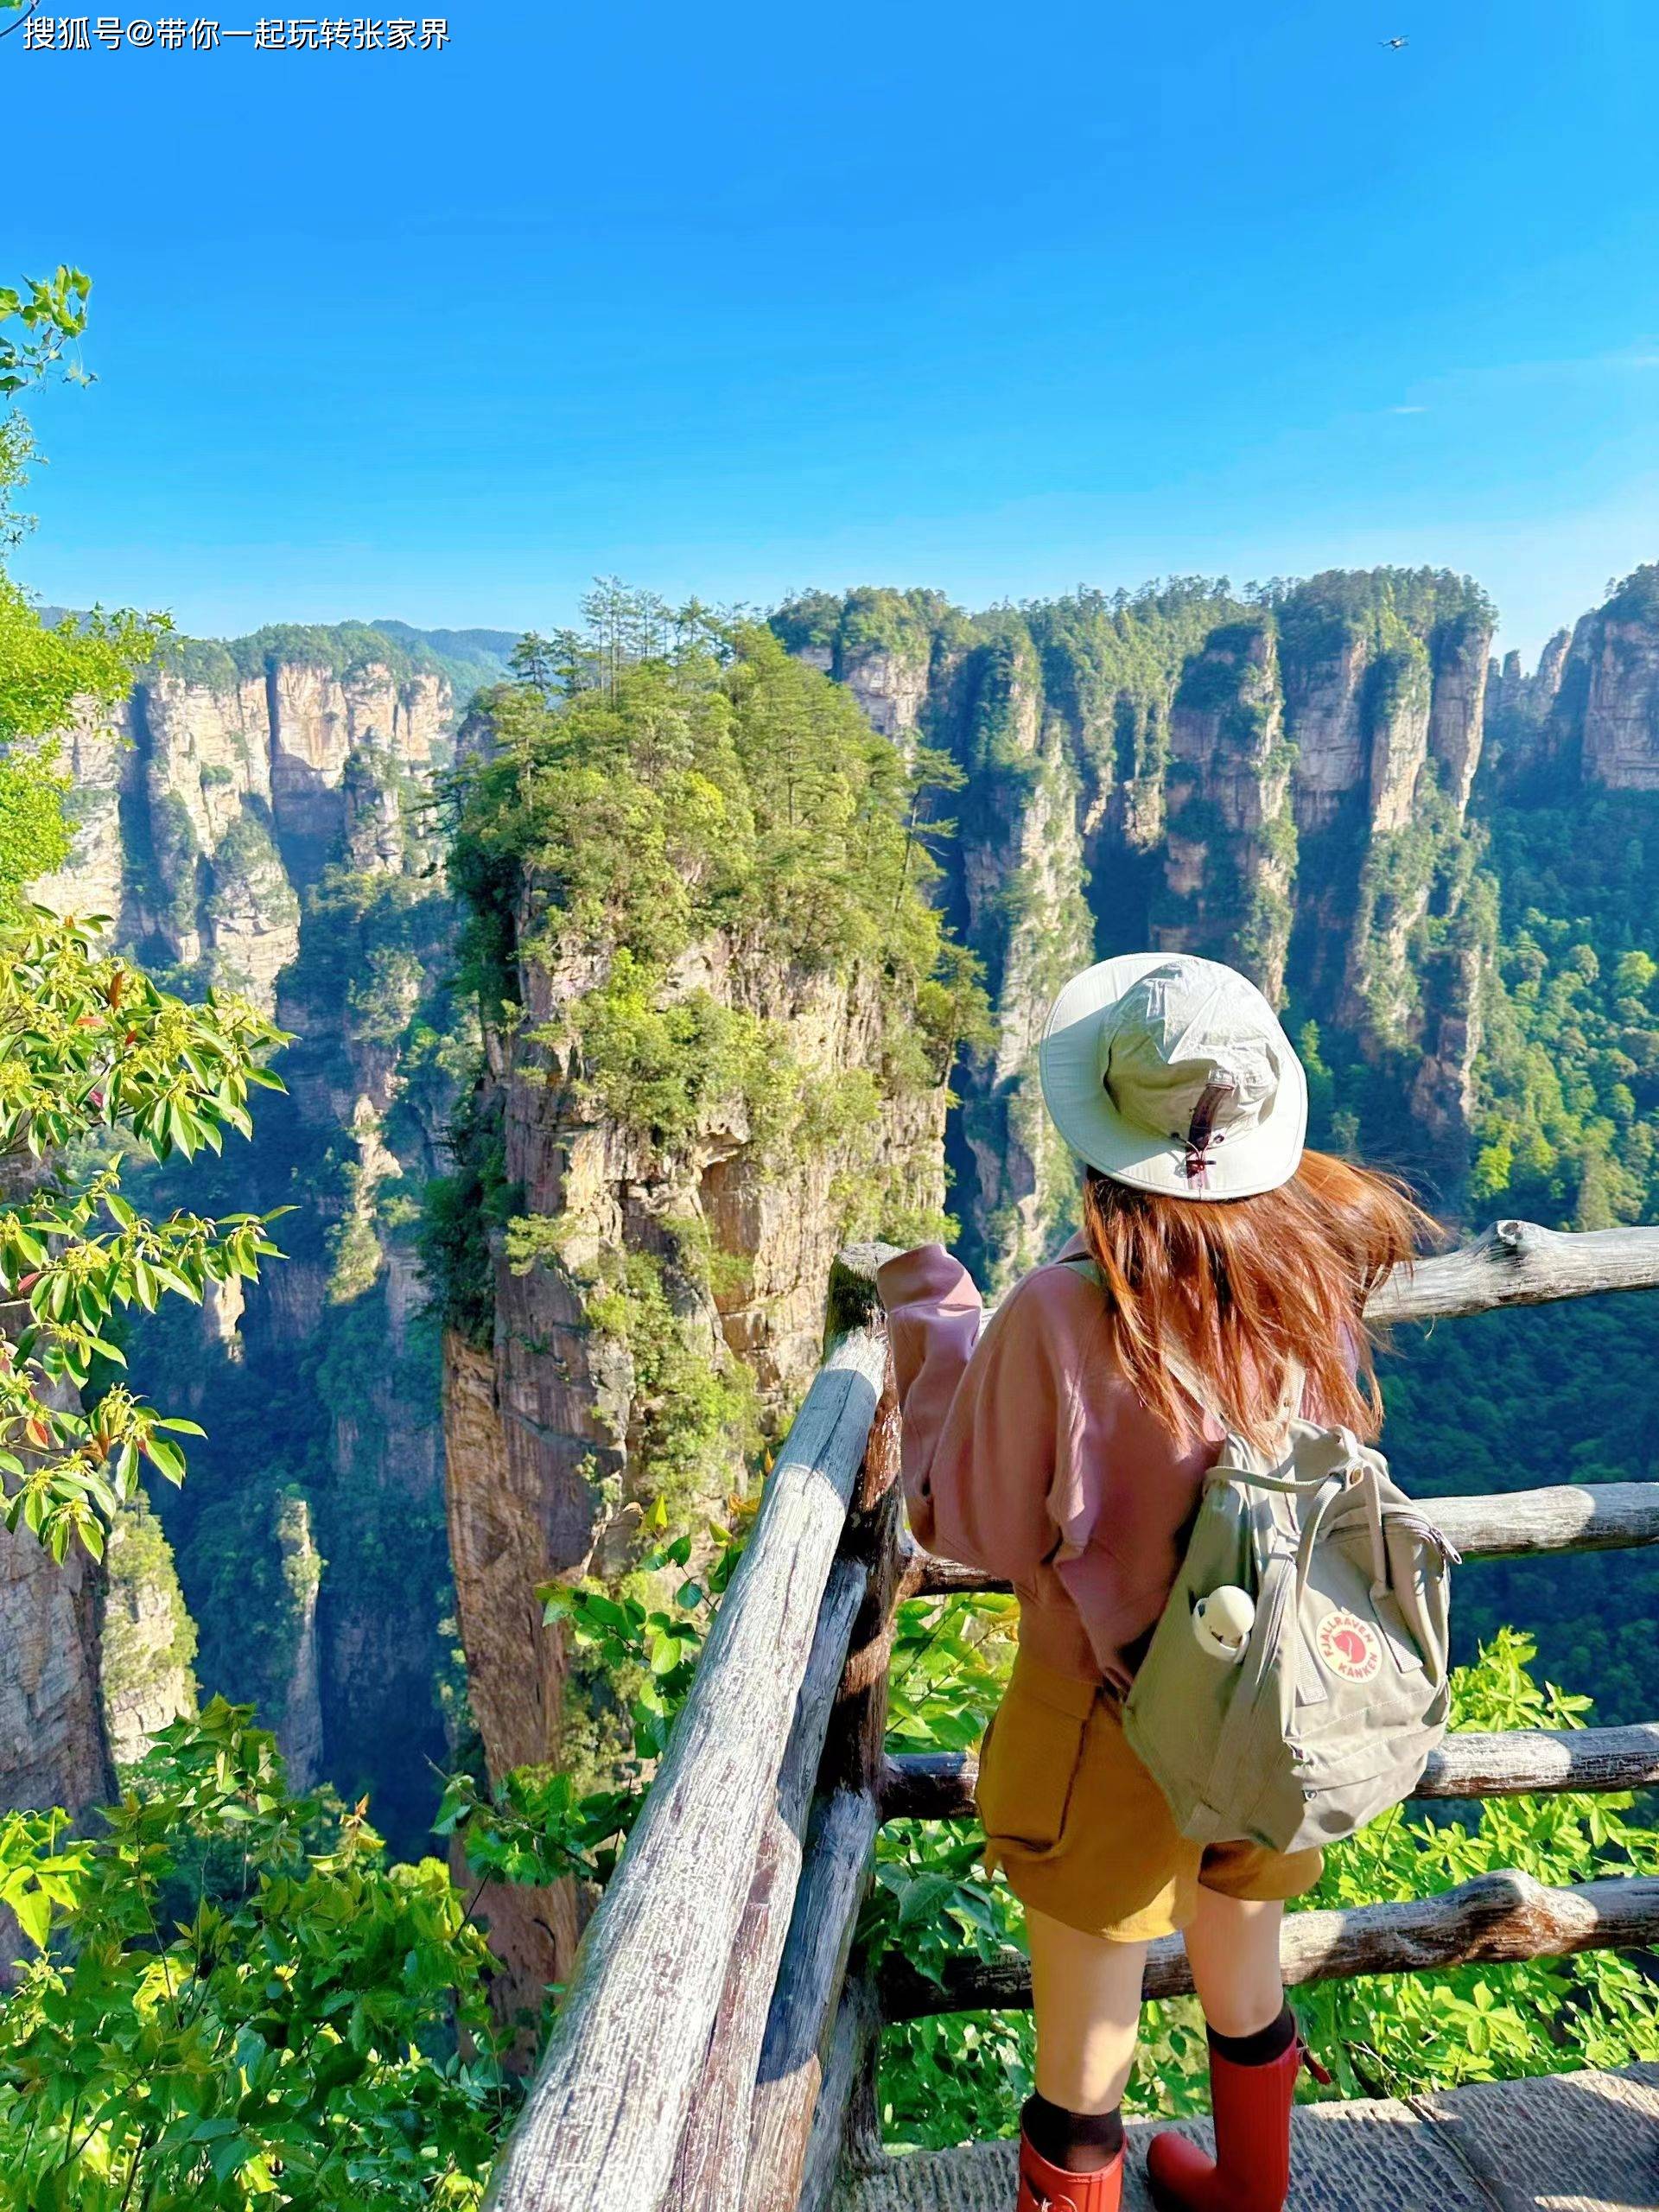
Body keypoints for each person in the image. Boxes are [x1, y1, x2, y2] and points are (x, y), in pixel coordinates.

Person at [876, 953, 1430, 2212]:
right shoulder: (1311, 1279)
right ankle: (1249, 2191)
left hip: (1108, 1726)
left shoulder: (1064, 1316)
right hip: (1280, 1701)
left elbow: (965, 1525)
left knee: (1084, 2064)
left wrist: (936, 1333)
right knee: (1247, 1967)